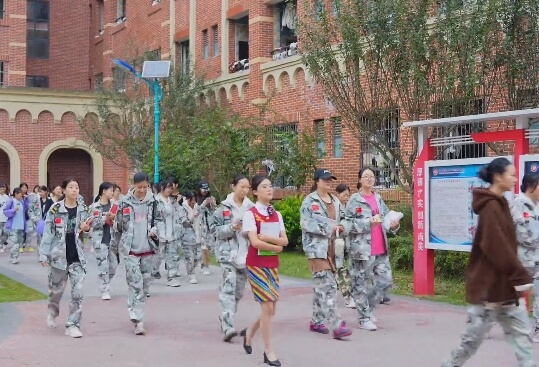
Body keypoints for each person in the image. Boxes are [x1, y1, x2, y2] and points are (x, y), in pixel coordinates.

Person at [442, 157, 537, 367]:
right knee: (471, 341)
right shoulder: (490, 207)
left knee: (522, 337)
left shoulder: (502, 202)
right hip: (489, 289)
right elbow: (495, 245)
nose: (514, 179)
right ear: (498, 177)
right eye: (511, 175)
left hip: (507, 290)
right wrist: (520, 275)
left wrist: (517, 278)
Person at [343, 167, 400, 331]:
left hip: (380, 248)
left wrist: (394, 224)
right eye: (365, 176)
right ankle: (364, 318)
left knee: (385, 280)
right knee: (359, 284)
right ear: (360, 180)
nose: (369, 179)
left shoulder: (378, 197)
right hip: (361, 250)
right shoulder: (354, 200)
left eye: (372, 176)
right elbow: (346, 225)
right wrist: (367, 223)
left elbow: (386, 218)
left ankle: (369, 308)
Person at [241, 174, 288, 366]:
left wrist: (273, 243)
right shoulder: (250, 214)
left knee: (271, 309)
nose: (269, 189)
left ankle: (250, 332)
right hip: (256, 265)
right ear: (255, 191)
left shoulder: (277, 215)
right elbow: (254, 241)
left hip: (272, 265)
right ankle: (269, 352)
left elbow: (284, 241)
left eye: (270, 186)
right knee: (267, 307)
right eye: (264, 186)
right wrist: (276, 246)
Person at [300, 169, 352, 339]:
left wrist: (343, 227)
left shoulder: (336, 201)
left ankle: (316, 320)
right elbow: (306, 223)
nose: (329, 182)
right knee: (328, 287)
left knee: (320, 288)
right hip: (317, 250)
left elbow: (346, 219)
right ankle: (337, 325)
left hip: (333, 250)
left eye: (330, 180)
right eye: (325, 180)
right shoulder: (310, 201)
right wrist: (329, 228)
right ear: (317, 181)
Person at [39, 178, 92, 338]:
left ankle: (73, 325)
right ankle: (52, 312)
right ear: (63, 190)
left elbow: (90, 231)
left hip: (77, 258)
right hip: (58, 258)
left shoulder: (84, 209)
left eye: (77, 187)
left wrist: (86, 229)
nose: (74, 190)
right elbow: (48, 233)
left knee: (78, 293)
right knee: (56, 292)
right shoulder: (55, 209)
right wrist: (43, 254)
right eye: (71, 187)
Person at [110, 172, 162, 335]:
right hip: (130, 250)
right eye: (139, 187)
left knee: (145, 286)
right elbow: (118, 226)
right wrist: (114, 246)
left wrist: (156, 231)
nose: (142, 190)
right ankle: (138, 319)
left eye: (145, 187)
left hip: (148, 248)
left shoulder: (154, 203)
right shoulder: (125, 203)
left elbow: (160, 221)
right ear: (133, 185)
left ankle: (135, 308)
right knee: (135, 283)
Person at [211, 174, 254, 342]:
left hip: (246, 255)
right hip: (227, 255)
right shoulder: (223, 209)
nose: (244, 190)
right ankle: (228, 326)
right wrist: (231, 227)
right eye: (241, 186)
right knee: (228, 289)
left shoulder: (251, 208)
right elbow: (215, 231)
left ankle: (225, 317)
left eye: (247, 187)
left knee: (238, 292)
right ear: (233, 186)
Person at [511, 172, 539, 342]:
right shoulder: (517, 205)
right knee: (513, 296)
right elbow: (522, 235)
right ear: (531, 186)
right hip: (521, 260)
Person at [90, 182, 119, 300]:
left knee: (113, 266)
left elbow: (121, 222)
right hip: (100, 240)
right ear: (103, 191)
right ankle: (105, 289)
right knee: (103, 266)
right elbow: (93, 223)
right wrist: (104, 218)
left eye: (113, 191)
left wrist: (115, 218)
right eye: (111, 190)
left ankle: (104, 282)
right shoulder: (94, 207)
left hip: (112, 240)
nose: (112, 193)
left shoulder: (115, 206)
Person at [154, 180, 184, 287]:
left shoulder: (172, 201)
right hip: (159, 233)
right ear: (162, 188)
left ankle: (171, 277)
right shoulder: (156, 201)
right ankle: (151, 272)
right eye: (168, 188)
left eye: (171, 188)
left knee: (172, 256)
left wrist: (179, 203)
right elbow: (154, 218)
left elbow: (180, 214)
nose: (170, 190)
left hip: (172, 232)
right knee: (157, 256)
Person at [334, 183, 355, 309]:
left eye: (348, 195)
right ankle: (348, 297)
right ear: (338, 194)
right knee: (340, 269)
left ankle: (337, 294)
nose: (346, 197)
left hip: (347, 242)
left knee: (340, 269)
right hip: (336, 243)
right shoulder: (334, 206)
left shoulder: (349, 207)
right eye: (344, 195)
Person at [180, 192, 202, 284]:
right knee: (190, 256)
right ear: (188, 200)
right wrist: (192, 217)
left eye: (194, 201)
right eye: (192, 201)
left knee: (198, 256)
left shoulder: (197, 207)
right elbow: (184, 222)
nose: (193, 203)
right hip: (187, 235)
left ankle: (192, 269)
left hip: (198, 233)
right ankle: (191, 273)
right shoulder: (183, 208)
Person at [3, 188, 29, 264]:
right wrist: (13, 210)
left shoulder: (22, 202)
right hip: (13, 226)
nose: (22, 195)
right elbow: (5, 211)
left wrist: (26, 201)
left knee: (19, 243)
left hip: (21, 226)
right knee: (13, 243)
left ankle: (15, 256)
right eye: (21, 194)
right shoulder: (11, 201)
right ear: (16, 194)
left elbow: (26, 209)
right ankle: (13, 258)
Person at [196, 181, 217, 275]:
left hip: (210, 227)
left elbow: (215, 213)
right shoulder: (196, 199)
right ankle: (204, 266)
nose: (204, 190)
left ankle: (204, 263)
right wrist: (203, 205)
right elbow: (196, 212)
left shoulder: (211, 198)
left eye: (206, 188)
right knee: (203, 247)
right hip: (200, 227)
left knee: (210, 247)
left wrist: (213, 205)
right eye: (203, 188)